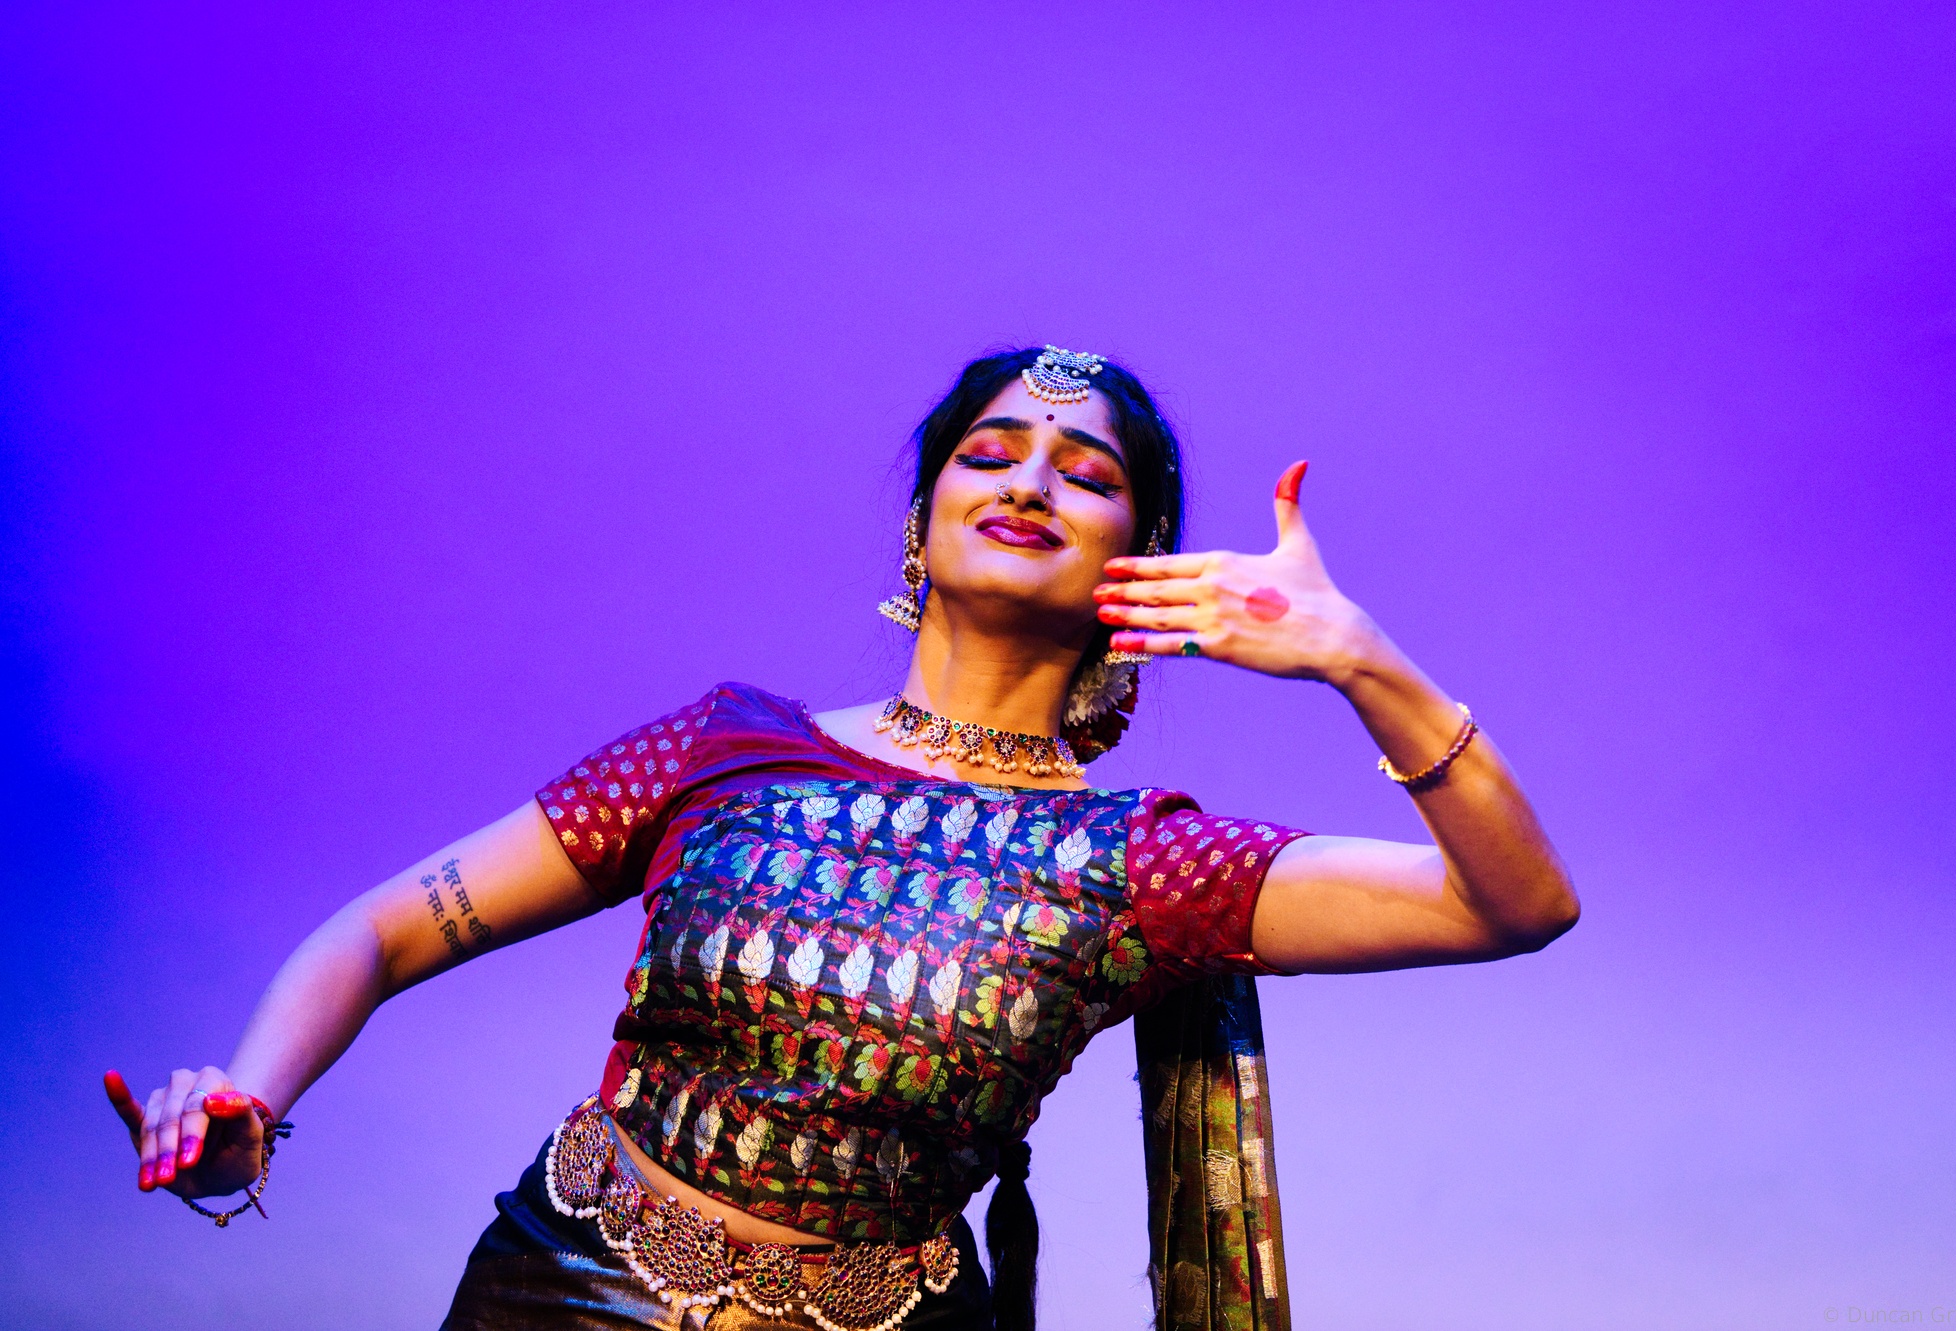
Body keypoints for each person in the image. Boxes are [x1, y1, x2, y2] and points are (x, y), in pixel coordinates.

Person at [105, 346, 1579, 1331]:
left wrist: (1364, 662)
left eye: (1086, 472)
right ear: (923, 521)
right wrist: (252, 1096)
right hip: (561, 1296)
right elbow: (385, 930)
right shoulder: (729, 748)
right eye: (991, 453)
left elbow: (1511, 905)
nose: (1029, 482)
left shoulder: (1142, 865)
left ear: (1138, 571)